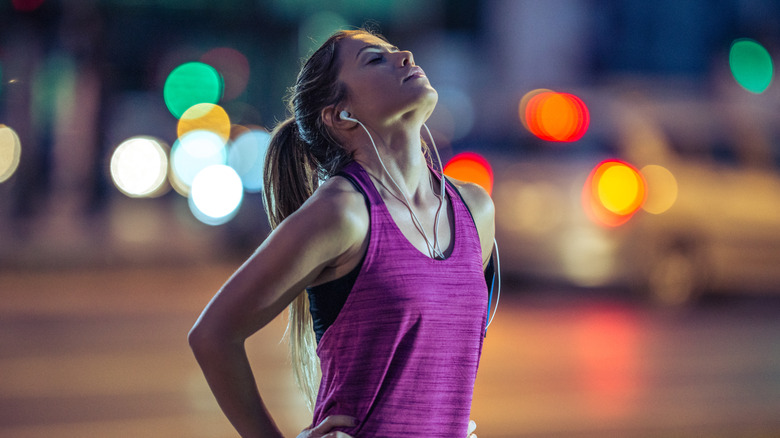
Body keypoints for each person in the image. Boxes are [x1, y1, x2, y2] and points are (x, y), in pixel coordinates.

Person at [188, 28, 496, 438]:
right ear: (340, 115)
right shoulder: (343, 212)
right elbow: (213, 336)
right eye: (375, 59)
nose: (404, 56)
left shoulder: (475, 208)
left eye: (394, 51)